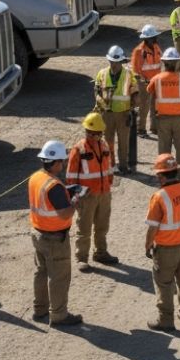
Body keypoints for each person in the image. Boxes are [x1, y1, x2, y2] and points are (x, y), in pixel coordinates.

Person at [144, 153, 180, 331]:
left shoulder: (159, 196)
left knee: (165, 283)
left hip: (167, 249)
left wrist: (147, 245)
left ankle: (166, 321)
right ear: (176, 170)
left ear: (161, 176)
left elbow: (153, 227)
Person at [29, 140, 82, 326]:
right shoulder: (54, 186)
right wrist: (75, 201)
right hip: (54, 238)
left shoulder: (36, 178)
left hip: (38, 233)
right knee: (59, 277)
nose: (64, 165)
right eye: (62, 161)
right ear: (56, 162)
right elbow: (64, 213)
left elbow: (46, 202)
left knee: (41, 272)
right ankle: (59, 315)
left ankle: (39, 309)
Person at [67, 112, 117, 272]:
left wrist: (108, 185)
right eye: (92, 133)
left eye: (97, 133)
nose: (95, 136)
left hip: (104, 194)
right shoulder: (78, 149)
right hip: (86, 196)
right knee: (84, 228)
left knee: (102, 226)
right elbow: (71, 177)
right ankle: (81, 258)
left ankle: (101, 253)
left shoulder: (104, 146)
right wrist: (78, 195)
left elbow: (109, 167)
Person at [145, 47, 180, 180]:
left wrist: (153, 121)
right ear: (177, 63)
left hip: (163, 119)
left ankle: (164, 174)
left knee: (164, 149)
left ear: (164, 63)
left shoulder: (156, 79)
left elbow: (151, 100)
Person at [93, 45, 138, 173]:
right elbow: (96, 91)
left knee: (124, 142)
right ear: (109, 61)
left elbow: (135, 93)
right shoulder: (102, 73)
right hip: (107, 114)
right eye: (112, 62)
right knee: (108, 142)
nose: (114, 65)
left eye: (117, 62)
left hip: (123, 114)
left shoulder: (129, 74)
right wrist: (99, 101)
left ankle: (123, 166)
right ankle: (110, 165)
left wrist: (133, 107)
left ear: (121, 62)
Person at [131, 24, 163, 138]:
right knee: (144, 106)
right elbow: (135, 70)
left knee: (155, 105)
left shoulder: (156, 48)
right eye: (153, 37)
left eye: (154, 37)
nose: (155, 39)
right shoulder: (139, 51)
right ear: (146, 39)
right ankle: (141, 129)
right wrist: (143, 80)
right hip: (144, 82)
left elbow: (159, 64)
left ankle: (154, 128)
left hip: (155, 81)